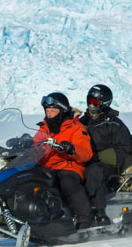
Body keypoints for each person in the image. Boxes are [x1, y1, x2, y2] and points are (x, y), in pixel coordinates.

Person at [33, 91, 96, 228]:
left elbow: (86, 153)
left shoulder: (76, 127)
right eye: (47, 110)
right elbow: (36, 144)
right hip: (46, 166)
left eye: (52, 110)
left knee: (67, 182)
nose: (49, 114)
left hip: (68, 166)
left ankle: (84, 217)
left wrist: (71, 149)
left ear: (61, 110)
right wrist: (22, 143)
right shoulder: (44, 127)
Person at [79, 84, 132, 226]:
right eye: (89, 100)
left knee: (93, 171)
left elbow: (123, 150)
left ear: (104, 104)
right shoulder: (81, 122)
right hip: (81, 161)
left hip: (106, 167)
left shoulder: (114, 124)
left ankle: (99, 212)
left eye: (95, 102)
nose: (91, 105)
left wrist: (97, 156)